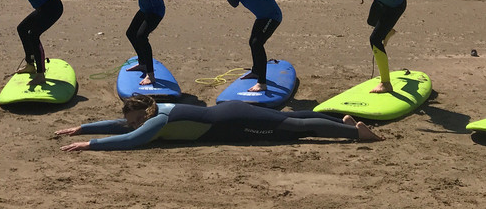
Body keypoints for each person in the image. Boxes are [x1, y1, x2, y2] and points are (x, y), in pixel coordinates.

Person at [56, 94, 382, 151]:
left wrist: (90, 144)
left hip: (235, 119)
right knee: (290, 118)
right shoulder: (155, 111)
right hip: (231, 113)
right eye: (133, 119)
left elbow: (130, 141)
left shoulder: (156, 123)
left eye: (137, 118)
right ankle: (342, 120)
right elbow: (121, 126)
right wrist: (83, 128)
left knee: (293, 129)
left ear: (145, 113)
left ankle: (356, 133)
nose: (134, 123)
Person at [344, 0, 406, 93]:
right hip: (380, 1)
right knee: (371, 22)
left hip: (395, 5)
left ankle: (386, 83)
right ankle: (389, 31)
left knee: (375, 39)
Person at [224, 0, 283, 93]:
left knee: (257, 43)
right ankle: (256, 71)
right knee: (252, 42)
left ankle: (262, 82)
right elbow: (235, 3)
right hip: (261, 17)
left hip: (272, 15)